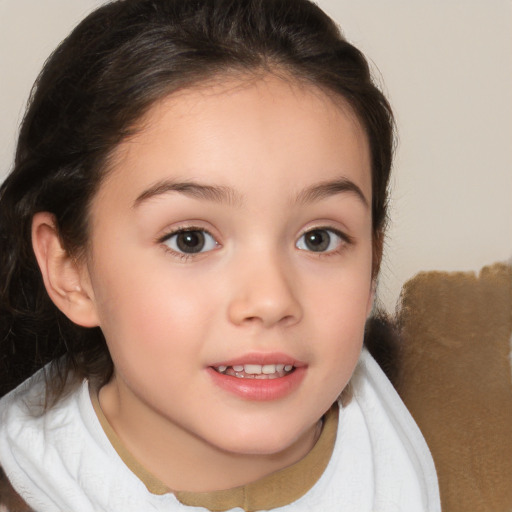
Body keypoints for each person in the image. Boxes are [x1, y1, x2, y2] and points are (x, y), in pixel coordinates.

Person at [0, 0, 440, 510]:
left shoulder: (436, 421)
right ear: (70, 270)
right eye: (191, 239)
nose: (271, 300)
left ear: (372, 263)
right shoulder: (28, 490)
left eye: (318, 238)